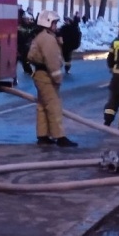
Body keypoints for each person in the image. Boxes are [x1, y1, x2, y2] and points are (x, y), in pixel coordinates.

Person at [28, 10, 78, 147]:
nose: (56, 26)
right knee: (54, 106)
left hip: (40, 75)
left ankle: (43, 135)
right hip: (46, 76)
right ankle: (60, 137)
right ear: (48, 23)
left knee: (42, 106)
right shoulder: (48, 39)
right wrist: (57, 78)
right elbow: (52, 60)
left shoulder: (42, 37)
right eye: (54, 23)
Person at [17, 10, 38, 76]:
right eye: (27, 19)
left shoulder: (33, 26)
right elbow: (23, 34)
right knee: (24, 59)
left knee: (32, 59)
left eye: (30, 19)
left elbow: (35, 32)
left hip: (31, 46)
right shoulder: (20, 27)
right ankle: (28, 70)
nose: (29, 21)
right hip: (23, 46)